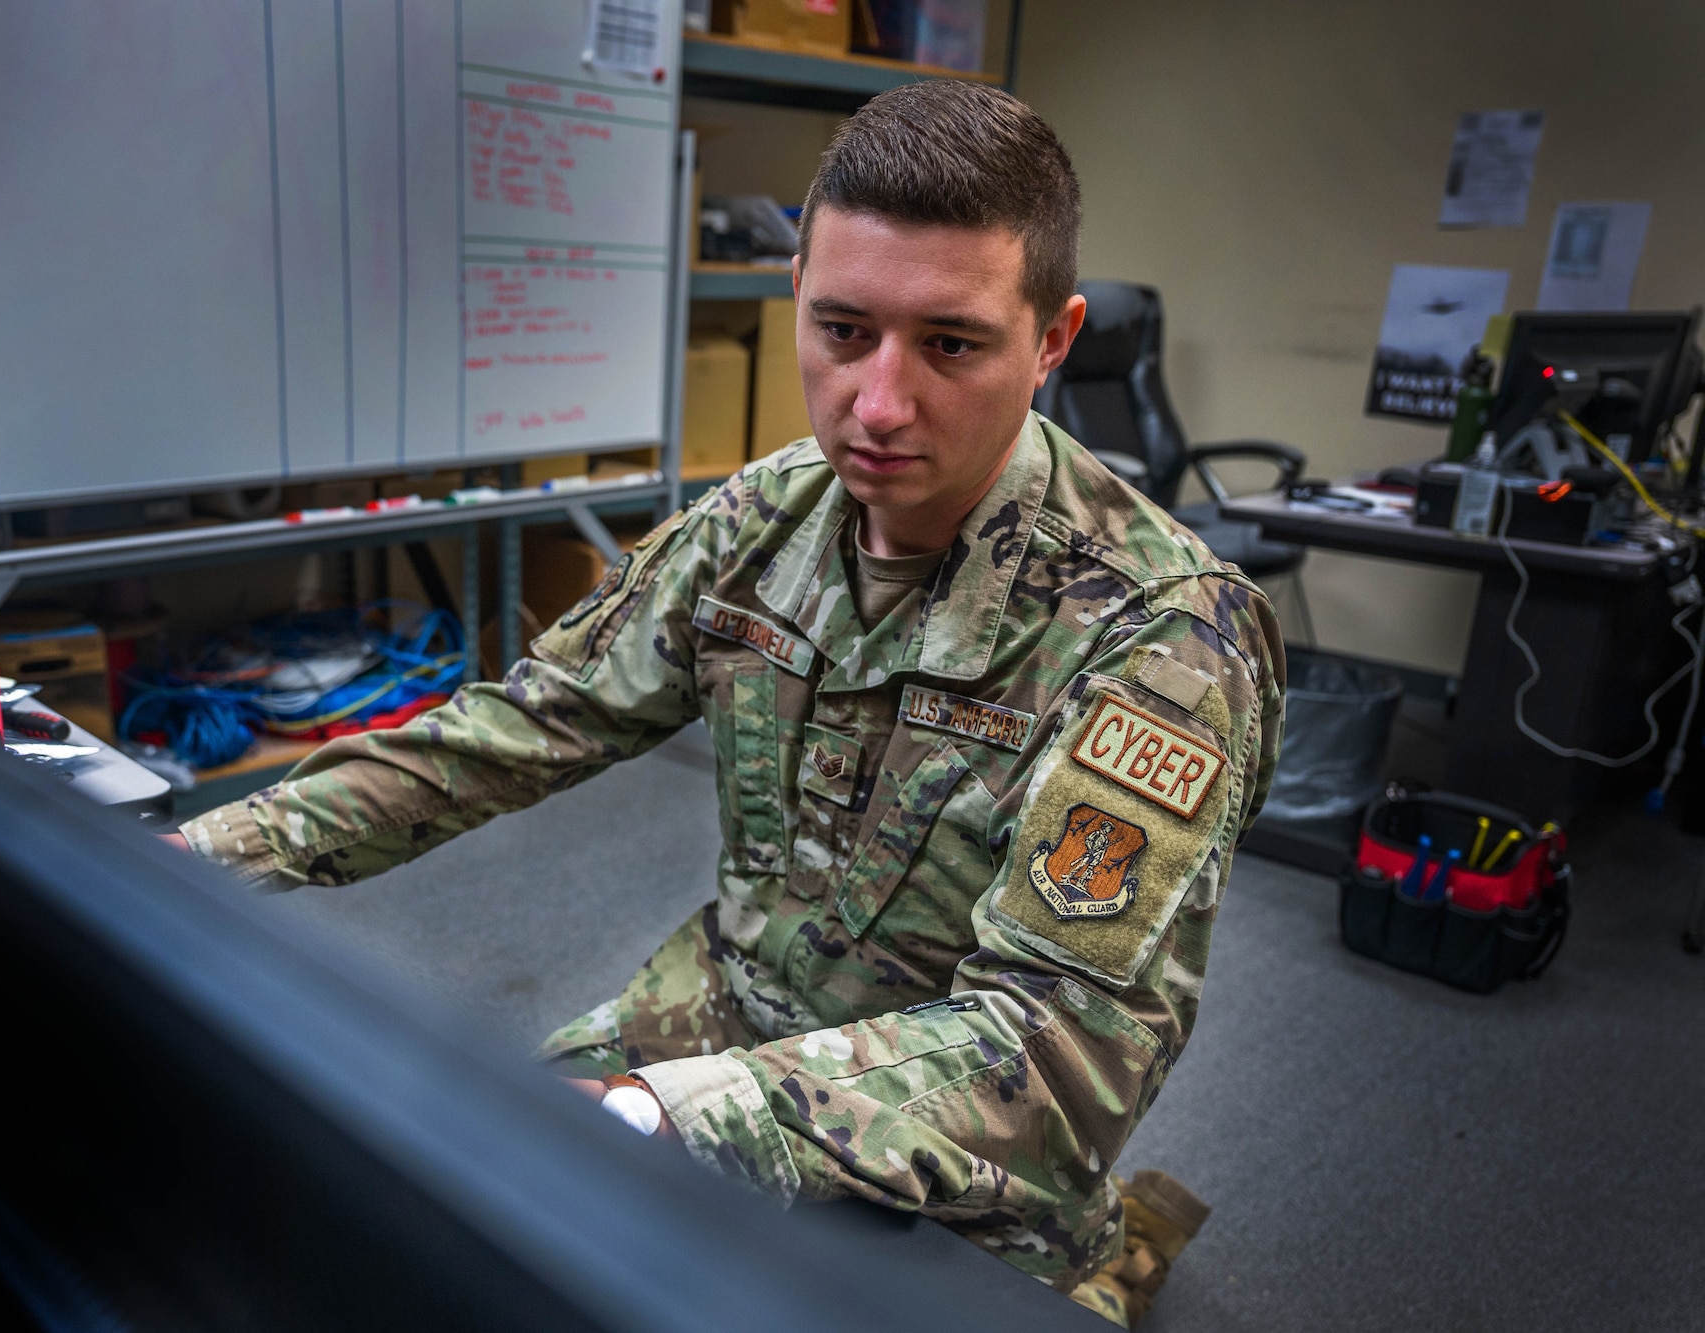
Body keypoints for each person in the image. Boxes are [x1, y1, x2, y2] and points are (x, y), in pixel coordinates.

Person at [178, 80, 1283, 1328]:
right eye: (842, 329)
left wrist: (676, 1117)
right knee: (443, 1220)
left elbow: (1059, 1047)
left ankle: (1100, 1254)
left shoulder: (1164, 637)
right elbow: (521, 728)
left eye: (950, 344)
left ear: (1052, 341)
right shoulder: (758, 520)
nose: (875, 403)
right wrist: (206, 855)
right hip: (729, 1007)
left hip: (965, 1138)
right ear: (795, 296)